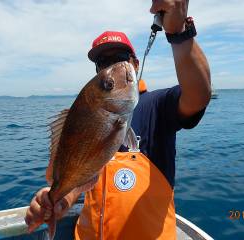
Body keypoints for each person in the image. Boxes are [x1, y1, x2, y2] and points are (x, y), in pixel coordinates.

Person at [25, 0, 211, 239]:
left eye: (121, 57)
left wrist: (179, 34)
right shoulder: (90, 111)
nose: (115, 66)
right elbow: (86, 170)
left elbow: (199, 95)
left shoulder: (158, 105)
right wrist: (60, 199)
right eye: (103, 63)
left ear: (134, 63)